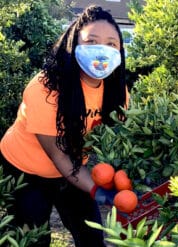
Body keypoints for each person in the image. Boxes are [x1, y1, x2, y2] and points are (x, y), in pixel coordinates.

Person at [0, 5, 129, 247]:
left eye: (111, 44)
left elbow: (116, 138)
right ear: (74, 45)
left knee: (91, 237)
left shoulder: (116, 91)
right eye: (91, 41)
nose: (102, 50)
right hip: (26, 170)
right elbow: (59, 157)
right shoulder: (45, 89)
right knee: (33, 239)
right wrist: (98, 192)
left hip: (74, 168)